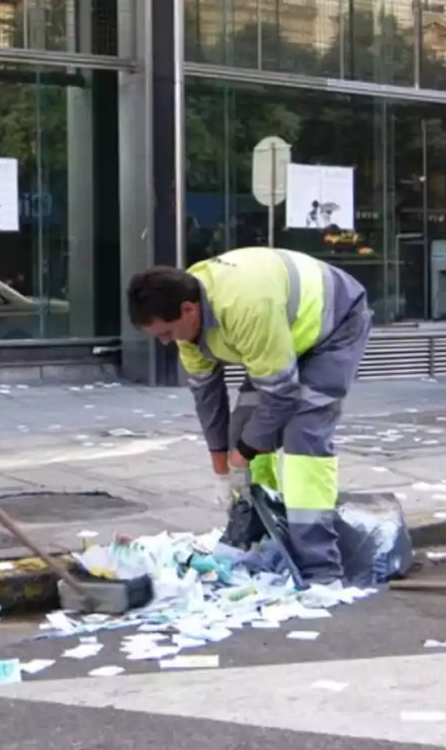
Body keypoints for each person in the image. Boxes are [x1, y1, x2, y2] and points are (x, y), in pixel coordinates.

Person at [126, 247, 373, 584]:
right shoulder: (187, 317)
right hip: (279, 339)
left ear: (189, 310)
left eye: (166, 333)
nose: (167, 343)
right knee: (244, 428)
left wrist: (240, 457)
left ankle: (320, 567)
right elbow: (207, 396)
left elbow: (282, 394)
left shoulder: (245, 308)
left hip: (332, 327)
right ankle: (261, 535)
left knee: (303, 436)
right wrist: (222, 468)